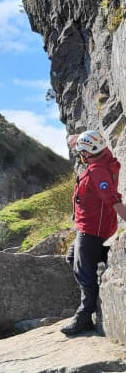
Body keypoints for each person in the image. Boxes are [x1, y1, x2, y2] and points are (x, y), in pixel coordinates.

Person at [62, 129, 126, 335]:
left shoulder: (97, 171)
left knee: (82, 270)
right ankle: (106, 256)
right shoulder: (102, 158)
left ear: (87, 153)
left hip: (92, 229)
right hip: (89, 226)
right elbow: (94, 142)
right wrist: (78, 139)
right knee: (72, 257)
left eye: (81, 151)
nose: (79, 154)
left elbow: (112, 199)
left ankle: (85, 315)